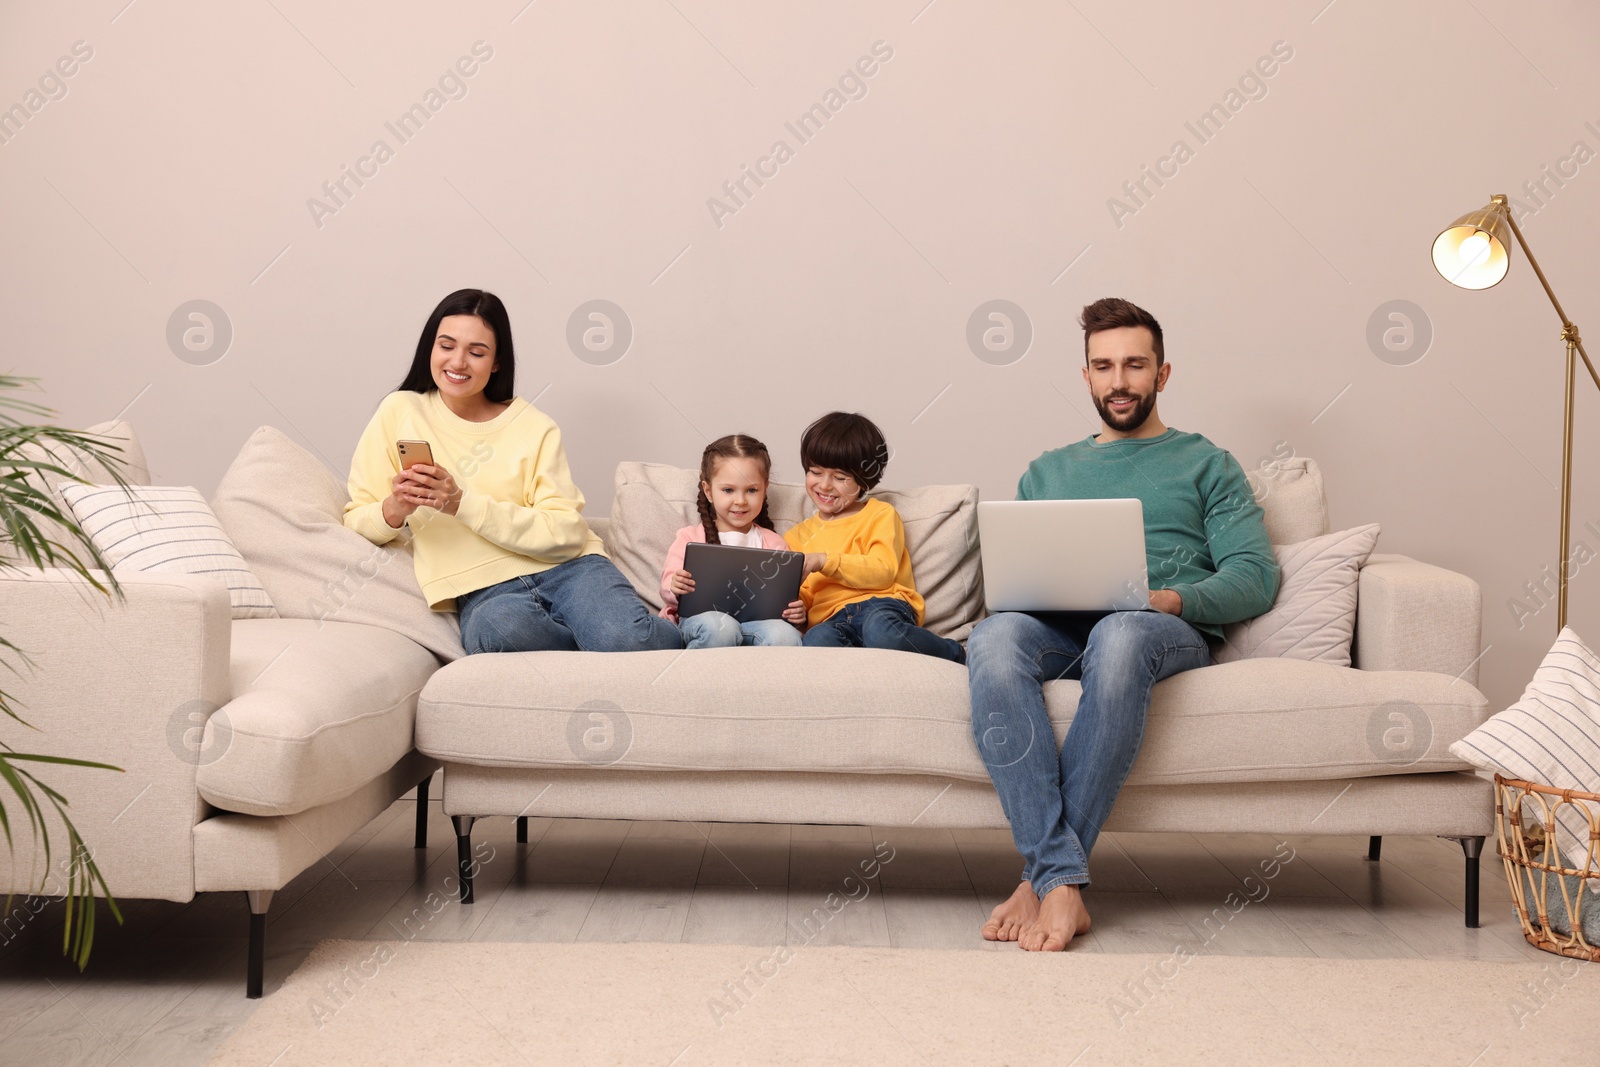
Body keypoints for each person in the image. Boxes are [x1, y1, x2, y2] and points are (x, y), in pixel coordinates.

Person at [968, 297, 1279, 951]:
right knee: (993, 636)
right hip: (1056, 627)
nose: (1118, 381)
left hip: (1153, 629)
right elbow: (1012, 576)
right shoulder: (1047, 470)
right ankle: (1059, 879)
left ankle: (1042, 879)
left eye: (1135, 365)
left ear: (1163, 374)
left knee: (1121, 631)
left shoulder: (1207, 462)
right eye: (1103, 366)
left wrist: (1170, 598)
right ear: (1085, 376)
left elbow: (1255, 575)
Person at [343, 288, 681, 654]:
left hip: (571, 569)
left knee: (624, 639)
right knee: (498, 632)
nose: (458, 362)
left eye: (476, 352)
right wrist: (397, 507)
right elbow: (356, 518)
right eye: (446, 346)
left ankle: (693, 633)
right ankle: (590, 642)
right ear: (430, 348)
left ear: (497, 362)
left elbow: (566, 531)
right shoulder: (399, 411)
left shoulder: (535, 427)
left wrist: (460, 503)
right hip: (483, 589)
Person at [784, 412, 965, 664]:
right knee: (816, 643)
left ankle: (955, 652)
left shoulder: (879, 514)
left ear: (862, 481)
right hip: (830, 618)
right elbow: (802, 592)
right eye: (815, 472)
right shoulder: (796, 536)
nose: (824, 485)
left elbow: (883, 570)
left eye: (840, 478)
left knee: (881, 633)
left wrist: (825, 561)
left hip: (882, 606)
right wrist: (799, 611)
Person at [659, 434, 805, 648]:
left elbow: (785, 599)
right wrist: (675, 586)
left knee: (786, 635)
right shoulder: (689, 537)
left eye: (752, 490)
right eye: (728, 490)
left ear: (765, 489)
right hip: (702, 623)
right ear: (708, 491)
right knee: (721, 627)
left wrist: (796, 613)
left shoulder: (775, 544)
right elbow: (668, 589)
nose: (740, 501)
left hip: (756, 626)